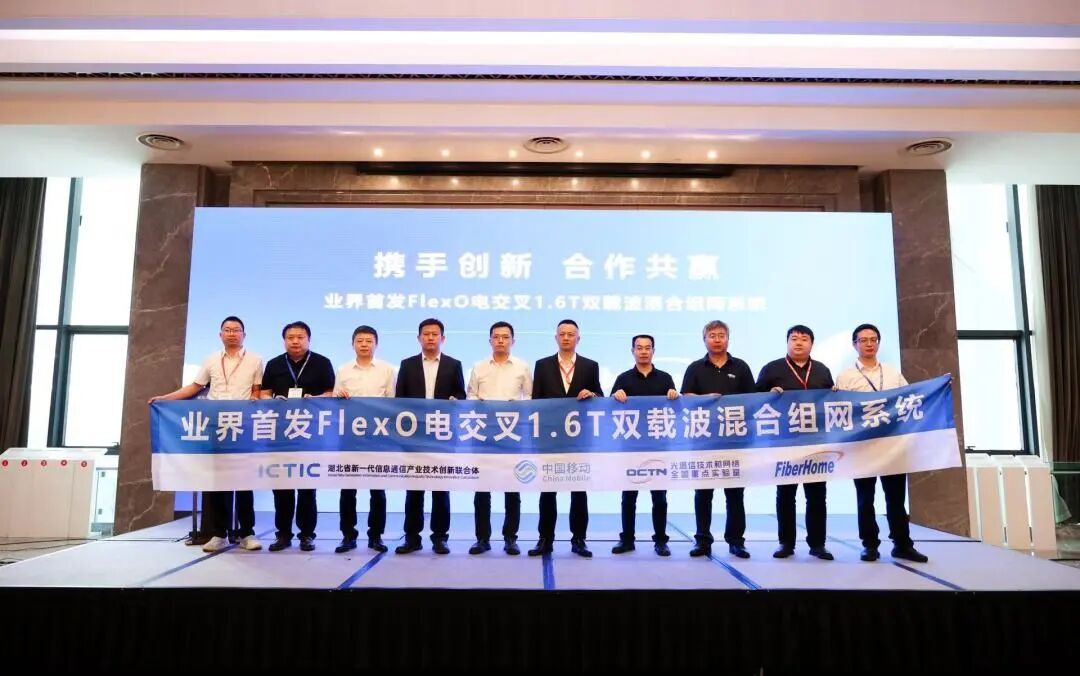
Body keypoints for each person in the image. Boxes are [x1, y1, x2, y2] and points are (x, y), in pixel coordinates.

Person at [150, 316, 264, 553]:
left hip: (242, 427)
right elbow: (196, 387)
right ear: (220, 334)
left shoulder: (255, 360)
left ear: (244, 335)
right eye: (227, 330)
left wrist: (254, 401)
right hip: (216, 427)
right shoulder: (211, 359)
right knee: (218, 483)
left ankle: (247, 533)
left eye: (236, 330)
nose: (231, 333)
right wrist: (165, 399)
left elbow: (257, 391)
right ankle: (219, 534)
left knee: (245, 482)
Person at [835, 323, 929, 563]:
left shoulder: (892, 372)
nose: (869, 344)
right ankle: (870, 545)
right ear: (854, 344)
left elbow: (910, 399)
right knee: (865, 499)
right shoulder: (846, 376)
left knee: (895, 499)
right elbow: (842, 410)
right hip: (862, 446)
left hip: (891, 445)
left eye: (873, 339)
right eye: (863, 340)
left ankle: (902, 544)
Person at [756, 324, 835, 561]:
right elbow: (754, 400)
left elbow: (832, 403)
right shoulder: (772, 369)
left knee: (817, 495)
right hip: (785, 442)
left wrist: (835, 393)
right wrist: (769, 393)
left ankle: (818, 544)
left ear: (811, 344)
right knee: (785, 495)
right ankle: (786, 543)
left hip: (816, 442)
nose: (798, 342)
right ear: (787, 342)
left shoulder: (821, 370)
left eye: (804, 339)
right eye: (794, 338)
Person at [680, 320, 757, 559]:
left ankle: (736, 541)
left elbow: (753, 400)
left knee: (735, 494)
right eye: (712, 335)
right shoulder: (695, 368)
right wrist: (705, 399)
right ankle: (702, 541)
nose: (717, 339)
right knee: (703, 493)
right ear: (704, 339)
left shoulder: (741, 367)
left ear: (728, 339)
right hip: (704, 440)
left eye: (721, 335)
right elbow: (685, 397)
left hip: (735, 440)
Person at [528, 319, 604, 558]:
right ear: (556, 338)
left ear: (578, 339)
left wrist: (592, 394)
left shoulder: (590, 366)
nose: (566, 338)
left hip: (579, 439)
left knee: (579, 490)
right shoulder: (542, 365)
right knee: (547, 491)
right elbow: (536, 402)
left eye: (571, 334)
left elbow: (600, 396)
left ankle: (579, 539)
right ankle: (545, 539)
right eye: (562, 334)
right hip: (549, 438)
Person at [260, 321, 335, 552]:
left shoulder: (322, 363)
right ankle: (283, 534)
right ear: (284, 340)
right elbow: (264, 394)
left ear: (308, 339)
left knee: (307, 487)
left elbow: (331, 393)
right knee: (281, 487)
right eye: (290, 337)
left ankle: (306, 535)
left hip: (310, 433)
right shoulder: (274, 364)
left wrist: (316, 399)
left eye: (300, 337)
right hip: (280, 433)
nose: (295, 341)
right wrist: (273, 400)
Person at [395, 318, 465, 555]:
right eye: (426, 334)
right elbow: (399, 400)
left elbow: (461, 395)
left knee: (440, 489)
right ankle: (412, 538)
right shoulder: (407, 365)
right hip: (413, 436)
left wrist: (456, 400)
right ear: (419, 338)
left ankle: (440, 538)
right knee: (414, 490)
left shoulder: (454, 365)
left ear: (442, 338)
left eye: (435, 334)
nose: (430, 337)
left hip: (442, 435)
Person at [466, 321, 532, 556]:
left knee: (512, 488)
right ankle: (482, 538)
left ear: (513, 341)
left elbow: (530, 397)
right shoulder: (479, 367)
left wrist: (516, 407)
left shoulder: (522, 367)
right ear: (490, 340)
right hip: (483, 435)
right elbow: (471, 396)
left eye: (505, 337)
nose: (501, 341)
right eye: (496, 337)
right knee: (482, 489)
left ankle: (510, 538)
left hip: (511, 434)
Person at [611, 334, 678, 557]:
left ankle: (660, 541)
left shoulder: (665, 378)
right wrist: (615, 395)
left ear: (653, 351)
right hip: (631, 446)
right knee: (629, 496)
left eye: (647, 348)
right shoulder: (623, 378)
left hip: (659, 446)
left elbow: (675, 411)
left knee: (659, 497)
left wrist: (674, 396)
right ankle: (627, 540)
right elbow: (609, 409)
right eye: (639, 348)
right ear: (633, 351)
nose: (643, 351)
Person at [333, 325, 394, 555]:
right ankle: (348, 535)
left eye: (369, 341)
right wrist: (339, 397)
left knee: (377, 489)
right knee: (348, 489)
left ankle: (376, 536)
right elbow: (336, 401)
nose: (364, 345)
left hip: (378, 437)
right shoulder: (343, 369)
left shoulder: (387, 370)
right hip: (349, 437)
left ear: (376, 344)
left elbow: (392, 402)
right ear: (353, 344)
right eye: (360, 341)